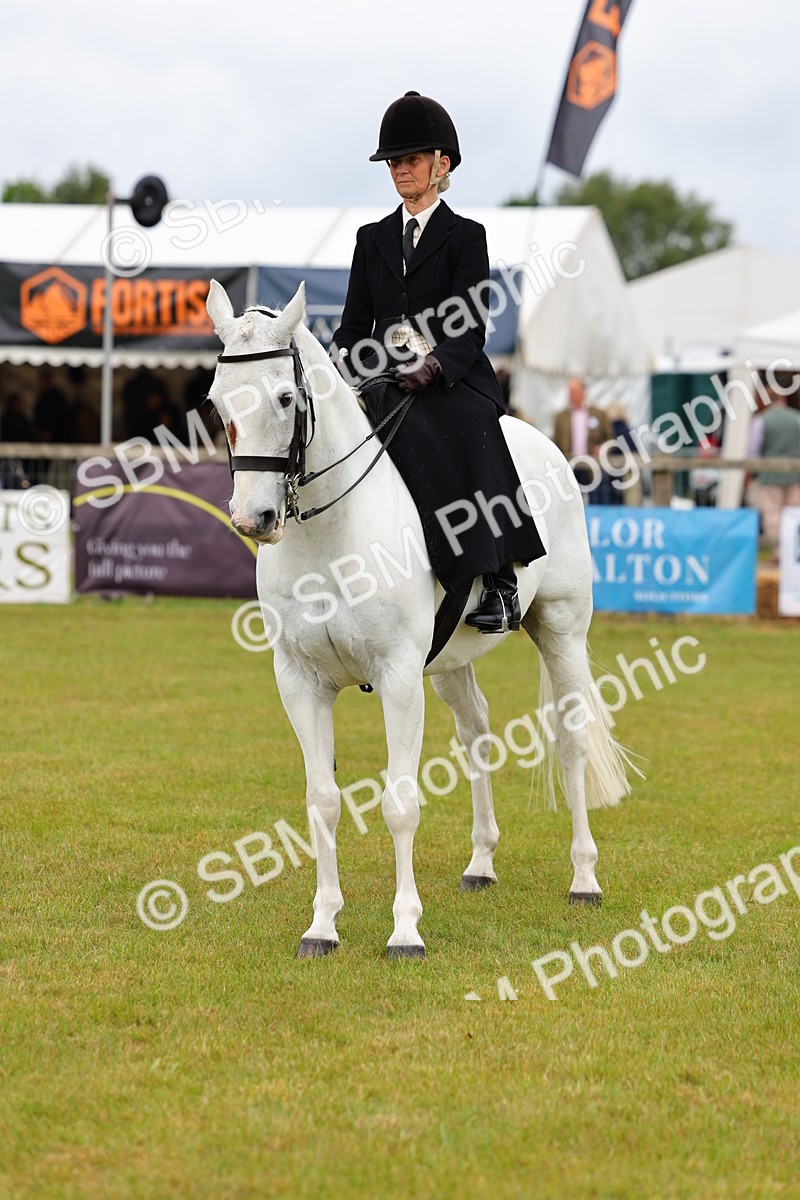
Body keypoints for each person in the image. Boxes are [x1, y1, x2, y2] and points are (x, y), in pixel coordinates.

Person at [331, 91, 545, 633]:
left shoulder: (466, 237)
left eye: (412, 159)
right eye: (394, 162)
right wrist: (349, 367)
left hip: (452, 377)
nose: (401, 169)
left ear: (441, 165)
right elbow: (354, 326)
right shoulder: (371, 239)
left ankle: (499, 580)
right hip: (383, 377)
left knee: (467, 426)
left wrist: (433, 367)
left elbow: (473, 325)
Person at [748, 385, 800, 547]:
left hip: (769, 474)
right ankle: (793, 549)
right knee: (794, 513)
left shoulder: (761, 420)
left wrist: (755, 472)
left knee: (772, 514)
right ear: (783, 400)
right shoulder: (797, 418)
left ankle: (778, 550)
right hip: (794, 474)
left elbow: (753, 450)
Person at [551, 378, 612, 492]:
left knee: (594, 500)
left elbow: (610, 438)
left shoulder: (598, 414)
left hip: (592, 466)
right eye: (570, 392)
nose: (572, 396)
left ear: (584, 392)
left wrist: (602, 449)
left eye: (575, 391)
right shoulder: (560, 417)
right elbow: (556, 441)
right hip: (569, 466)